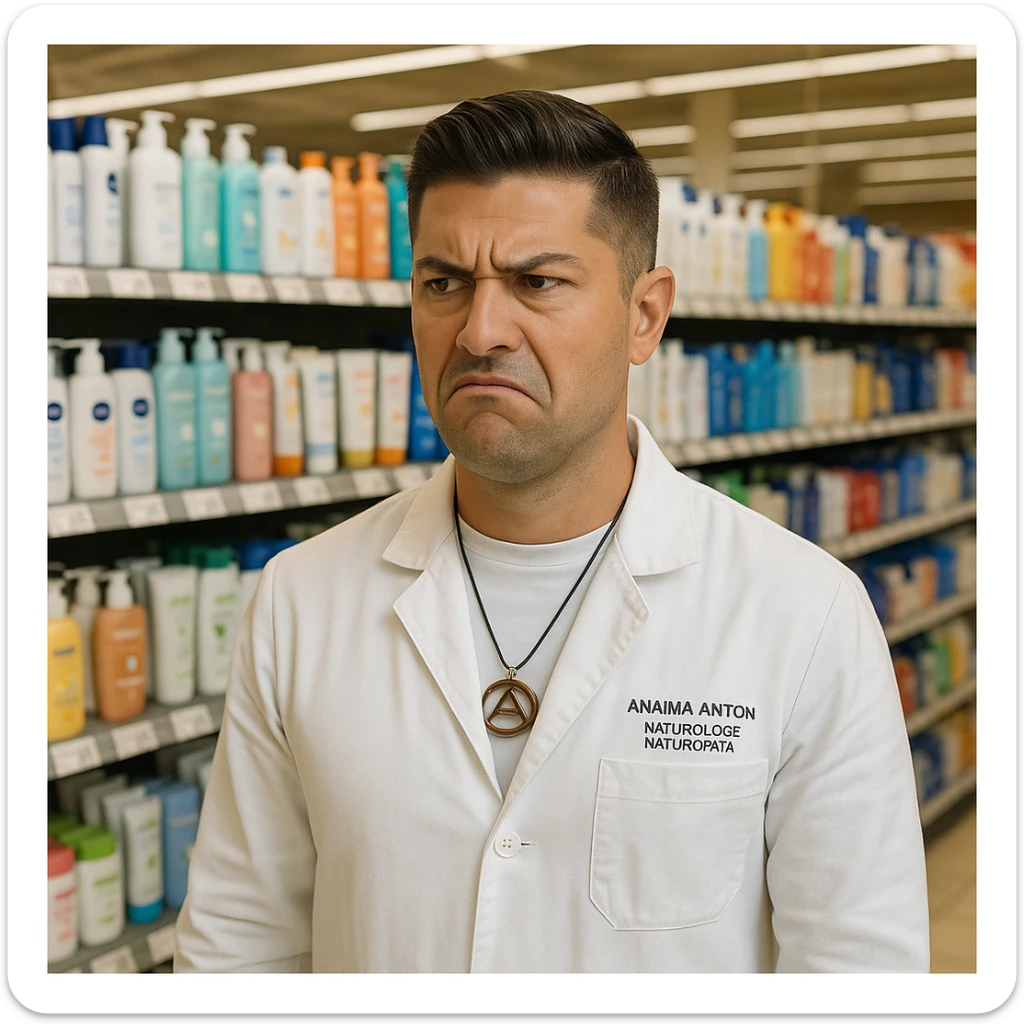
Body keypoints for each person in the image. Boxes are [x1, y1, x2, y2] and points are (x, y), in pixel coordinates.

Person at [174, 90, 929, 973]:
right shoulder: (300, 600)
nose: (481, 331)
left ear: (644, 315)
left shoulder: (803, 615)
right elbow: (238, 950)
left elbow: (859, 970)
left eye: (538, 282)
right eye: (443, 283)